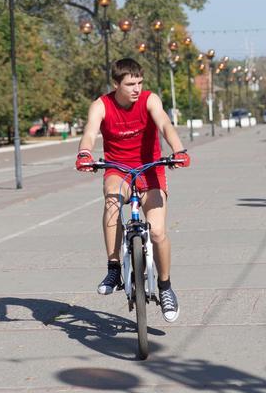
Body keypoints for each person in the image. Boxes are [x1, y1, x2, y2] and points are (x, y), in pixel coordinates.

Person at [75, 58, 190, 322]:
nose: (136, 88)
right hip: (118, 168)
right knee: (112, 202)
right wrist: (84, 153)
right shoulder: (101, 105)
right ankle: (113, 267)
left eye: (139, 82)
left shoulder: (150, 100)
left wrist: (179, 150)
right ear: (116, 84)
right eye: (130, 84)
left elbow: (164, 124)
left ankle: (165, 286)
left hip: (151, 168)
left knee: (158, 232)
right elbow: (91, 132)